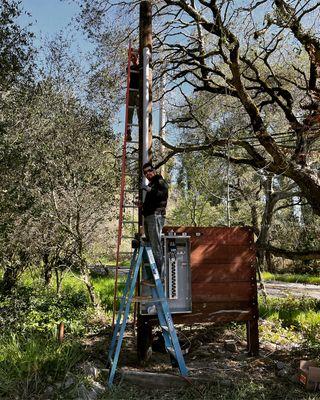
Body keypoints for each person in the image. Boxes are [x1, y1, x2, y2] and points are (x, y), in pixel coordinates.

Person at [141, 162, 168, 276]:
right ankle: (153, 274)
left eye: (149, 170)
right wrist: (141, 205)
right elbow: (153, 201)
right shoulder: (152, 184)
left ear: (154, 170)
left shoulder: (160, 181)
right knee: (150, 244)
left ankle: (159, 277)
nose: (148, 173)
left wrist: (147, 189)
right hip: (149, 217)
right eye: (145, 173)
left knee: (156, 247)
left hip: (156, 216)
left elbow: (161, 195)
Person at [126, 52, 139, 142]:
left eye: (134, 56)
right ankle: (128, 133)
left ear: (137, 57)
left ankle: (141, 132)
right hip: (131, 91)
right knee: (129, 113)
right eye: (131, 57)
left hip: (139, 92)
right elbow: (128, 71)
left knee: (140, 113)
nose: (133, 58)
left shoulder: (142, 66)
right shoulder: (129, 68)